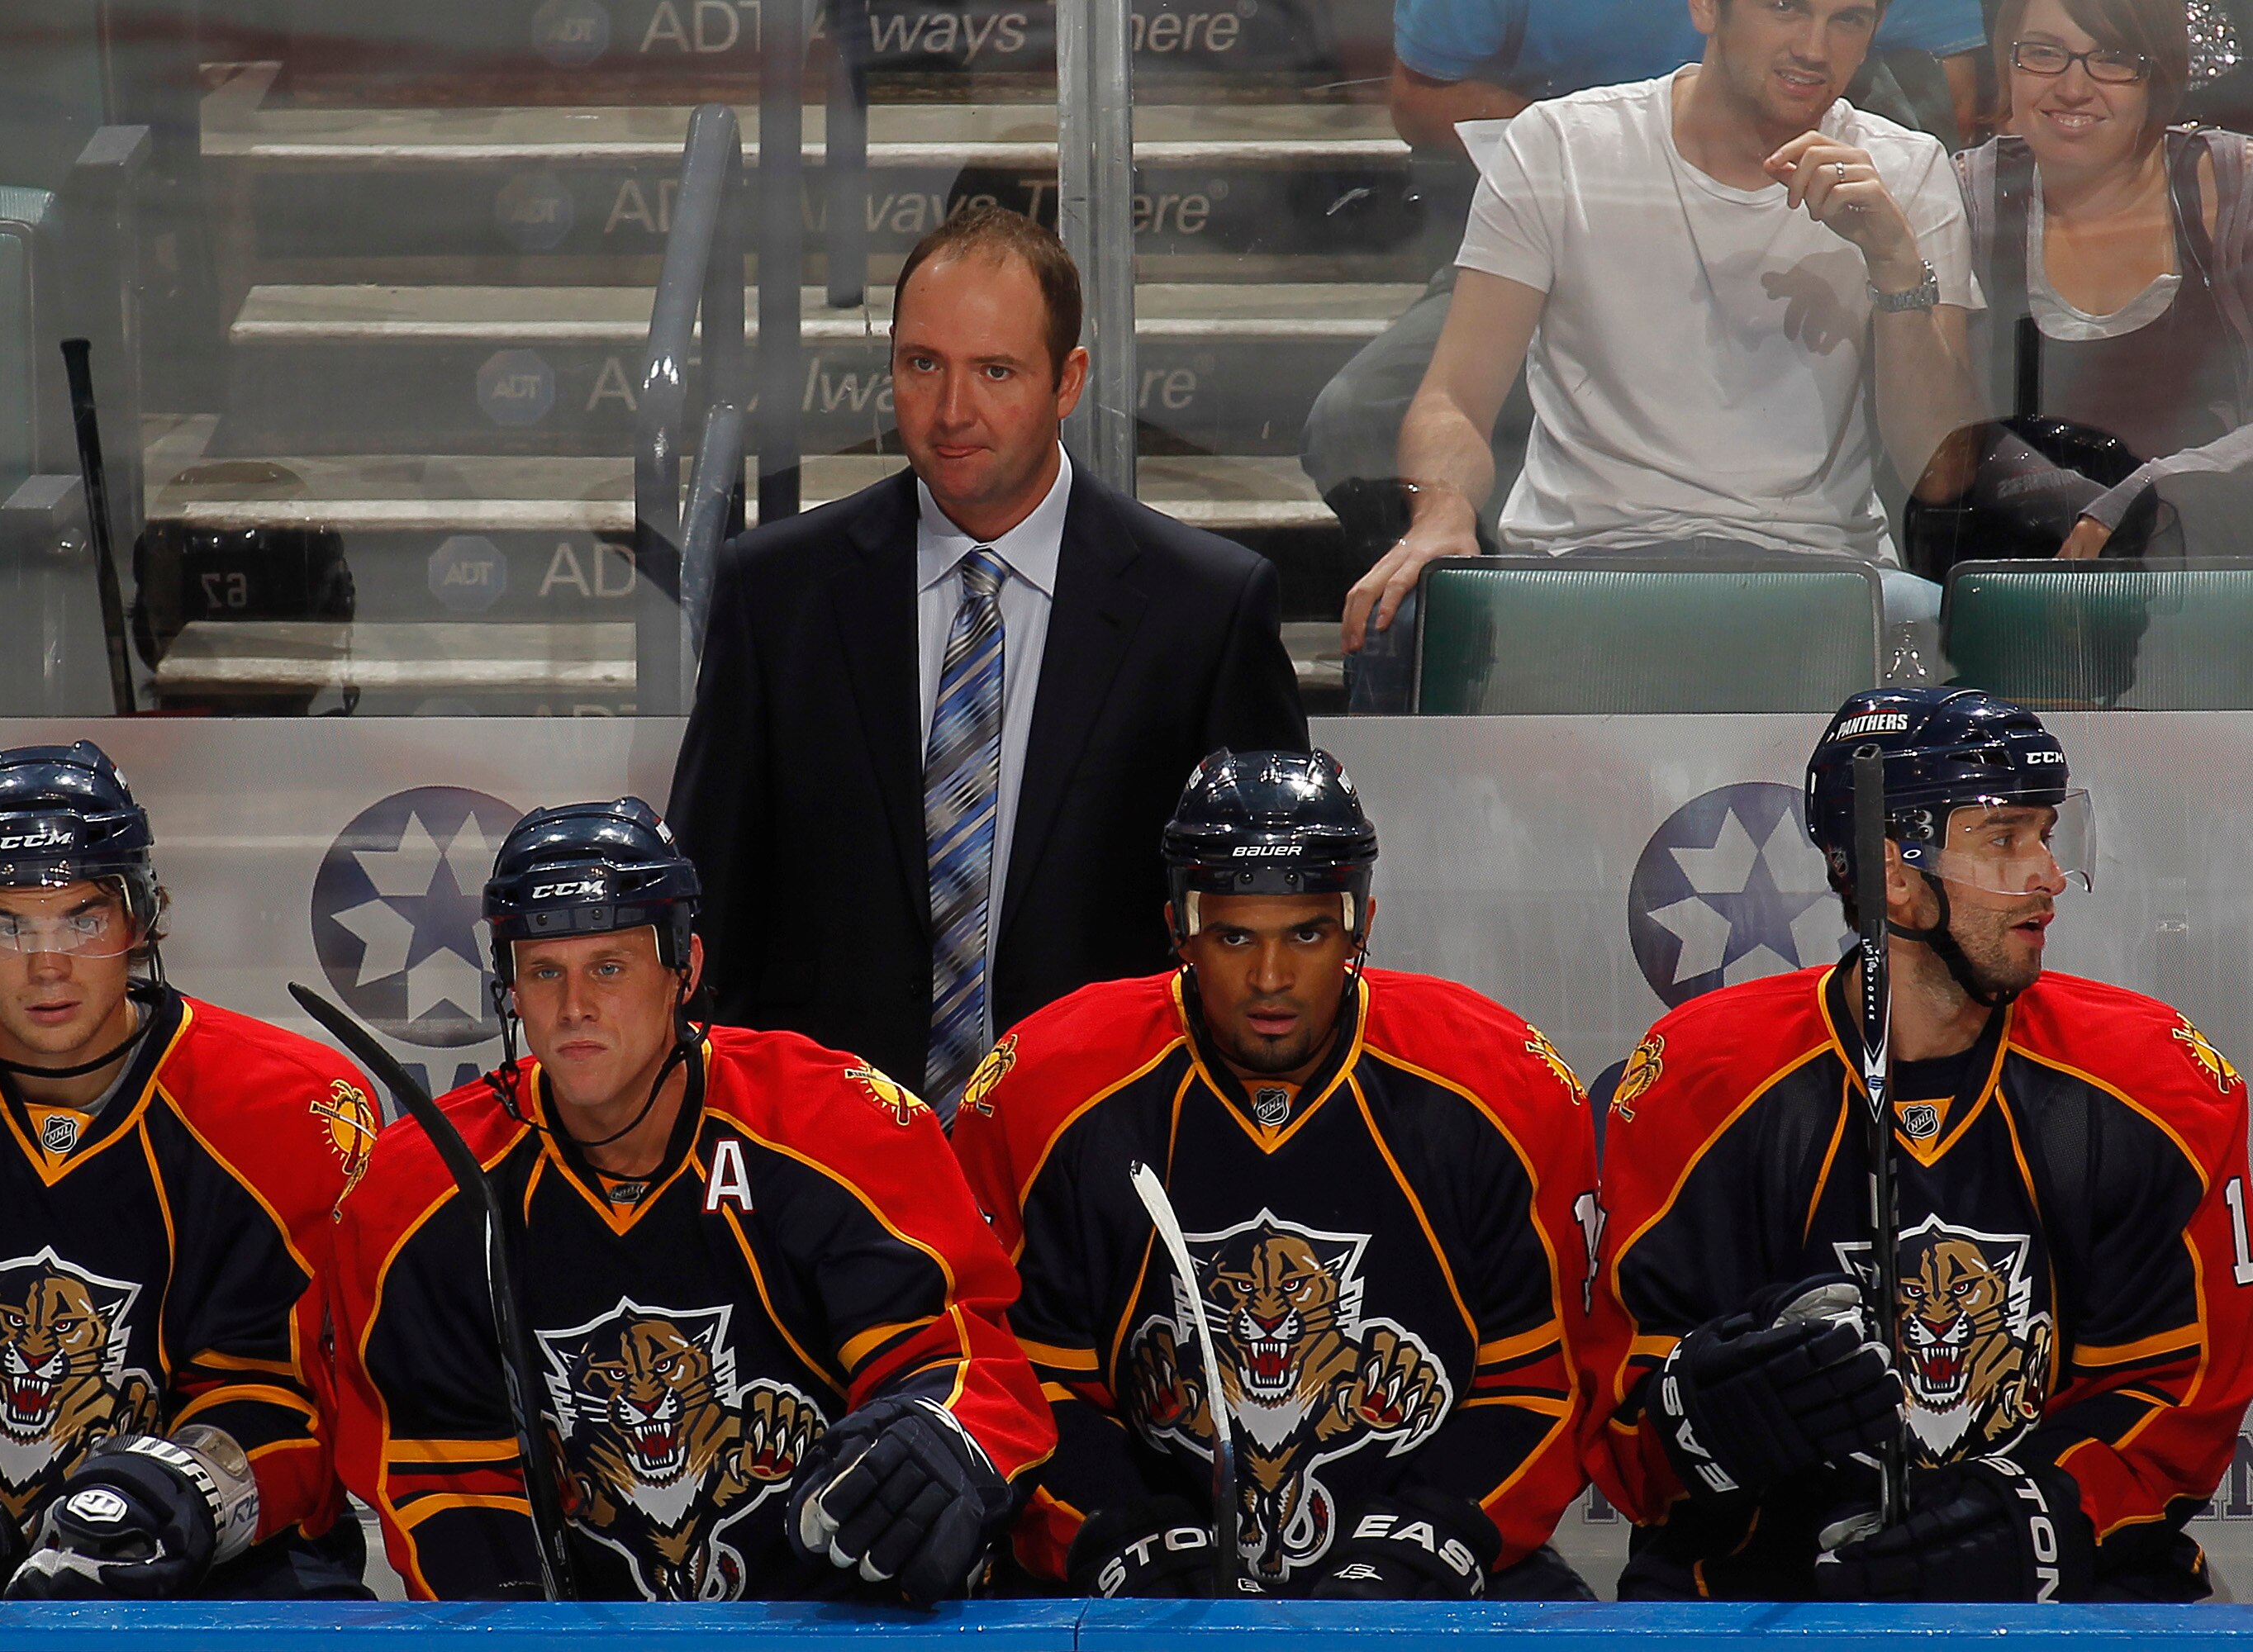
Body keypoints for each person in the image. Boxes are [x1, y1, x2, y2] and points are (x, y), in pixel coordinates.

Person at [1580, 687, 2253, 1600]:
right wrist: (1698, 1417)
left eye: (2049, 836)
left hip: (2069, 1588)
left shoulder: (2150, 1081)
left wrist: (2041, 1511)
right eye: (2006, 838)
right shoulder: (1702, 1077)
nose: (2048, 876)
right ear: (1892, 871)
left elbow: (2185, 1387)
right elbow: (1617, 1417)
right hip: (1771, 1596)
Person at [328, 800, 1055, 1602]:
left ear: (685, 965)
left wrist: (939, 1432)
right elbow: (448, 1483)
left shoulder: (832, 1127)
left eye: (609, 966)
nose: (574, 1007)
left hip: (833, 1621)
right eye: (544, 970)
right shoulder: (423, 1191)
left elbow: (956, 1359)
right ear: (509, 985)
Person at [669, 202, 1306, 1117]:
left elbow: (1262, 919)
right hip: (826, 1158)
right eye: (922, 365)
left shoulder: (1204, 610)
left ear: (1069, 380)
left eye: (995, 371)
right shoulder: (778, 595)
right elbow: (707, 914)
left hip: (1107, 1146)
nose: (952, 410)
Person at [951, 749, 1597, 1600]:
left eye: (1306, 932)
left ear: (1360, 923)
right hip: (1129, 1574)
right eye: (1232, 934)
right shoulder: (1045, 1088)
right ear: (1179, 926)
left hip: (1434, 1562)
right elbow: (1016, 1377)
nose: (1270, 979)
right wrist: (1128, 1535)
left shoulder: (1498, 1087)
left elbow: (1542, 1380)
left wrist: (1422, 1542)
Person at [0, 741, 375, 1599]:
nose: (46, 964)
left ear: (143, 918)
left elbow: (286, 1394)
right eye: (7, 922)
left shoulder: (286, 1109)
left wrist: (189, 1494)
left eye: (82, 918)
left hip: (211, 1573)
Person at [1339, 0, 1984, 661]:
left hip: (1821, 570)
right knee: (1409, 615)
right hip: (1582, 564)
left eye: (1847, 20)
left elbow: (1937, 472)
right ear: (1707, 8)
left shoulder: (1906, 172)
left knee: (1946, 629)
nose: (1815, 49)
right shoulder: (1562, 145)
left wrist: (1895, 266)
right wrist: (1442, 511)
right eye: (1786, 8)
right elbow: (1455, 400)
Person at [1934, 0, 2253, 561]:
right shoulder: (1964, 198)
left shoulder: (2233, 191)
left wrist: (2148, 496)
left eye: (2111, 58)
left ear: (2159, 72)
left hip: (2214, 583)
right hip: (2020, 594)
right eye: (2043, 54)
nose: (2073, 88)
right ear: (2006, 63)